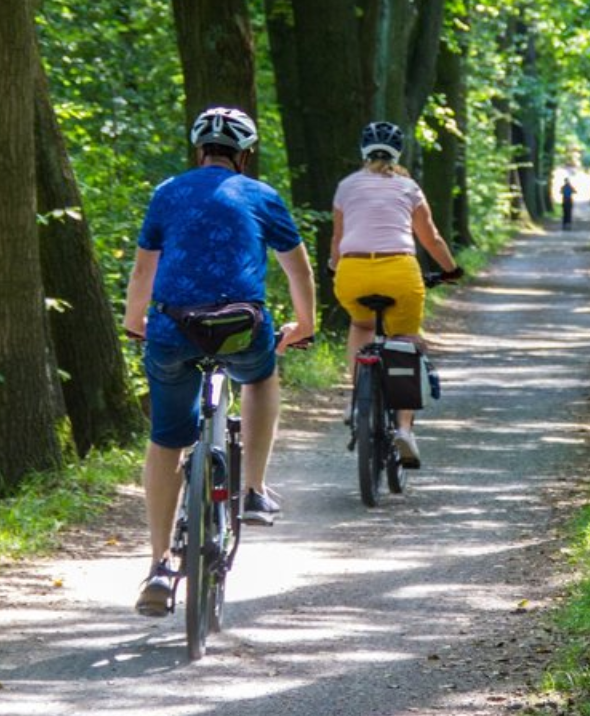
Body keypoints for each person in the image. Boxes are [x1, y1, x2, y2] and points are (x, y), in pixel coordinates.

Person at [123, 106, 316, 617]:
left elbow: (144, 271)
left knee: (166, 439)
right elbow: (299, 270)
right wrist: (305, 323)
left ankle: (160, 566)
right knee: (260, 377)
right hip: (239, 328)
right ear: (245, 154)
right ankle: (252, 489)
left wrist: (134, 322)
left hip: (172, 328)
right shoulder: (261, 196)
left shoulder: (168, 193)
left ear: (197, 151)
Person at [328, 121, 462, 469]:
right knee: (404, 340)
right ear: (398, 153)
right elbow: (430, 238)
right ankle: (404, 429)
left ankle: (358, 401)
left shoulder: (345, 187)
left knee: (361, 327)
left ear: (363, 150)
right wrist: (450, 270)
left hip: (353, 272)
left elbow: (337, 239)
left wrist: (333, 266)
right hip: (400, 272)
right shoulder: (408, 187)